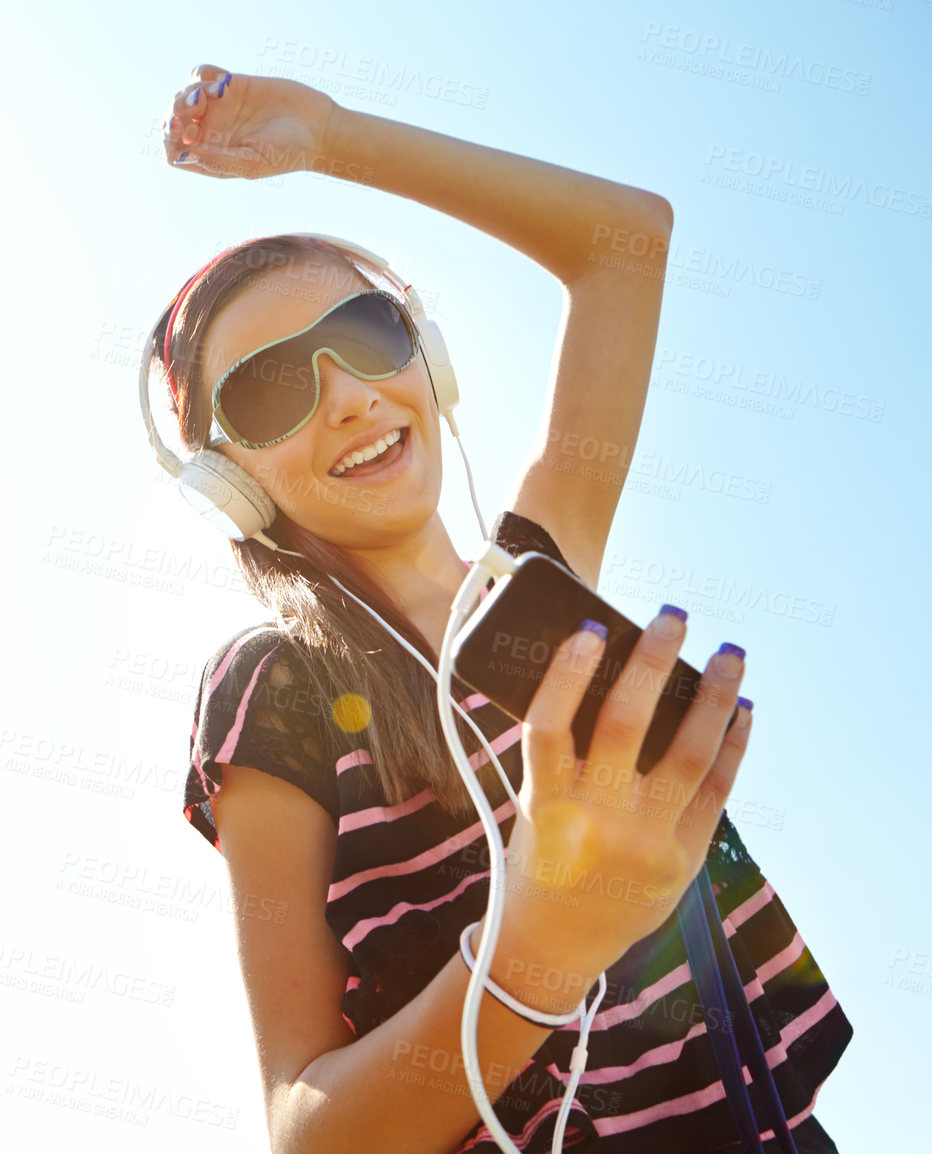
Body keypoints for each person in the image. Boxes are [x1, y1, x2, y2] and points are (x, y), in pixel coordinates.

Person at [153, 65, 852, 1154]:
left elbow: (624, 240)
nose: (346, 392)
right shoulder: (272, 687)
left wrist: (334, 136)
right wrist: (540, 943)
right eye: (270, 389)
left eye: (370, 333)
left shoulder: (540, 585)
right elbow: (304, 1129)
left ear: (424, 356)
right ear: (230, 486)